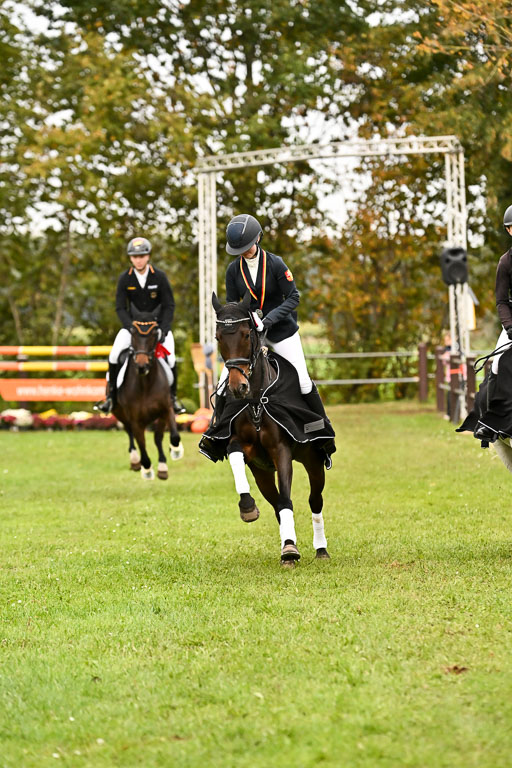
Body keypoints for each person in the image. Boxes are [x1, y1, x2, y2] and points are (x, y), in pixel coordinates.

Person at [212, 213, 335, 468]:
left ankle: (322, 432)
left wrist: (266, 320)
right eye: (239, 250)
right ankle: (216, 434)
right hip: (249, 337)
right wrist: (244, 324)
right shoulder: (233, 270)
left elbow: (294, 298)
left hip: (281, 332)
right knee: (225, 383)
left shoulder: (277, 264)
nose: (243, 253)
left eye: (246, 247)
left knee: (301, 380)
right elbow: (234, 305)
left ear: (257, 238)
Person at [94, 236, 185, 414]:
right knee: (113, 356)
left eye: (141, 256)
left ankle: (172, 399)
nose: (138, 260)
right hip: (133, 328)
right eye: (135, 257)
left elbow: (169, 306)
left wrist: (163, 330)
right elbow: (120, 308)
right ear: (130, 258)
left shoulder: (159, 277)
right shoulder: (125, 279)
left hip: (156, 328)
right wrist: (130, 327)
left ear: (148, 256)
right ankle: (110, 398)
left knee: (172, 358)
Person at [472, 205, 512, 442]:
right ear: (509, 231)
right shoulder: (505, 262)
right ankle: (488, 422)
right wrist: (510, 328)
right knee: (497, 364)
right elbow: (501, 300)